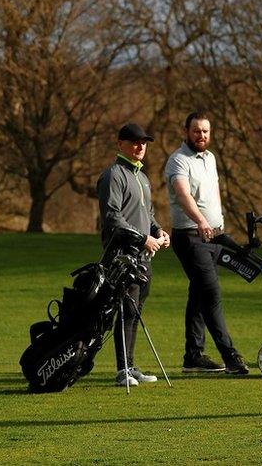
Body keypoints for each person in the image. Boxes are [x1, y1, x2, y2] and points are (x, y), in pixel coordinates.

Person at [165, 111, 248, 375]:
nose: (201, 136)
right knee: (210, 292)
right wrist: (201, 220)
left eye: (205, 131)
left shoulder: (210, 158)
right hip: (190, 237)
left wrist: (217, 227)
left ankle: (193, 356)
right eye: (196, 131)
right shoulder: (178, 161)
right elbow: (183, 195)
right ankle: (231, 357)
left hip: (214, 236)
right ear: (186, 131)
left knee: (198, 294)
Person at [97, 122, 171, 387]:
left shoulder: (142, 176)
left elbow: (146, 215)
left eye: (144, 143)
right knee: (126, 309)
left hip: (142, 257)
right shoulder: (113, 175)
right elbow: (112, 218)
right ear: (120, 145)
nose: (140, 146)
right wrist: (143, 239)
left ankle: (130, 366)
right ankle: (122, 370)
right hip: (122, 257)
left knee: (135, 311)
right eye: (134, 142)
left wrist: (160, 231)